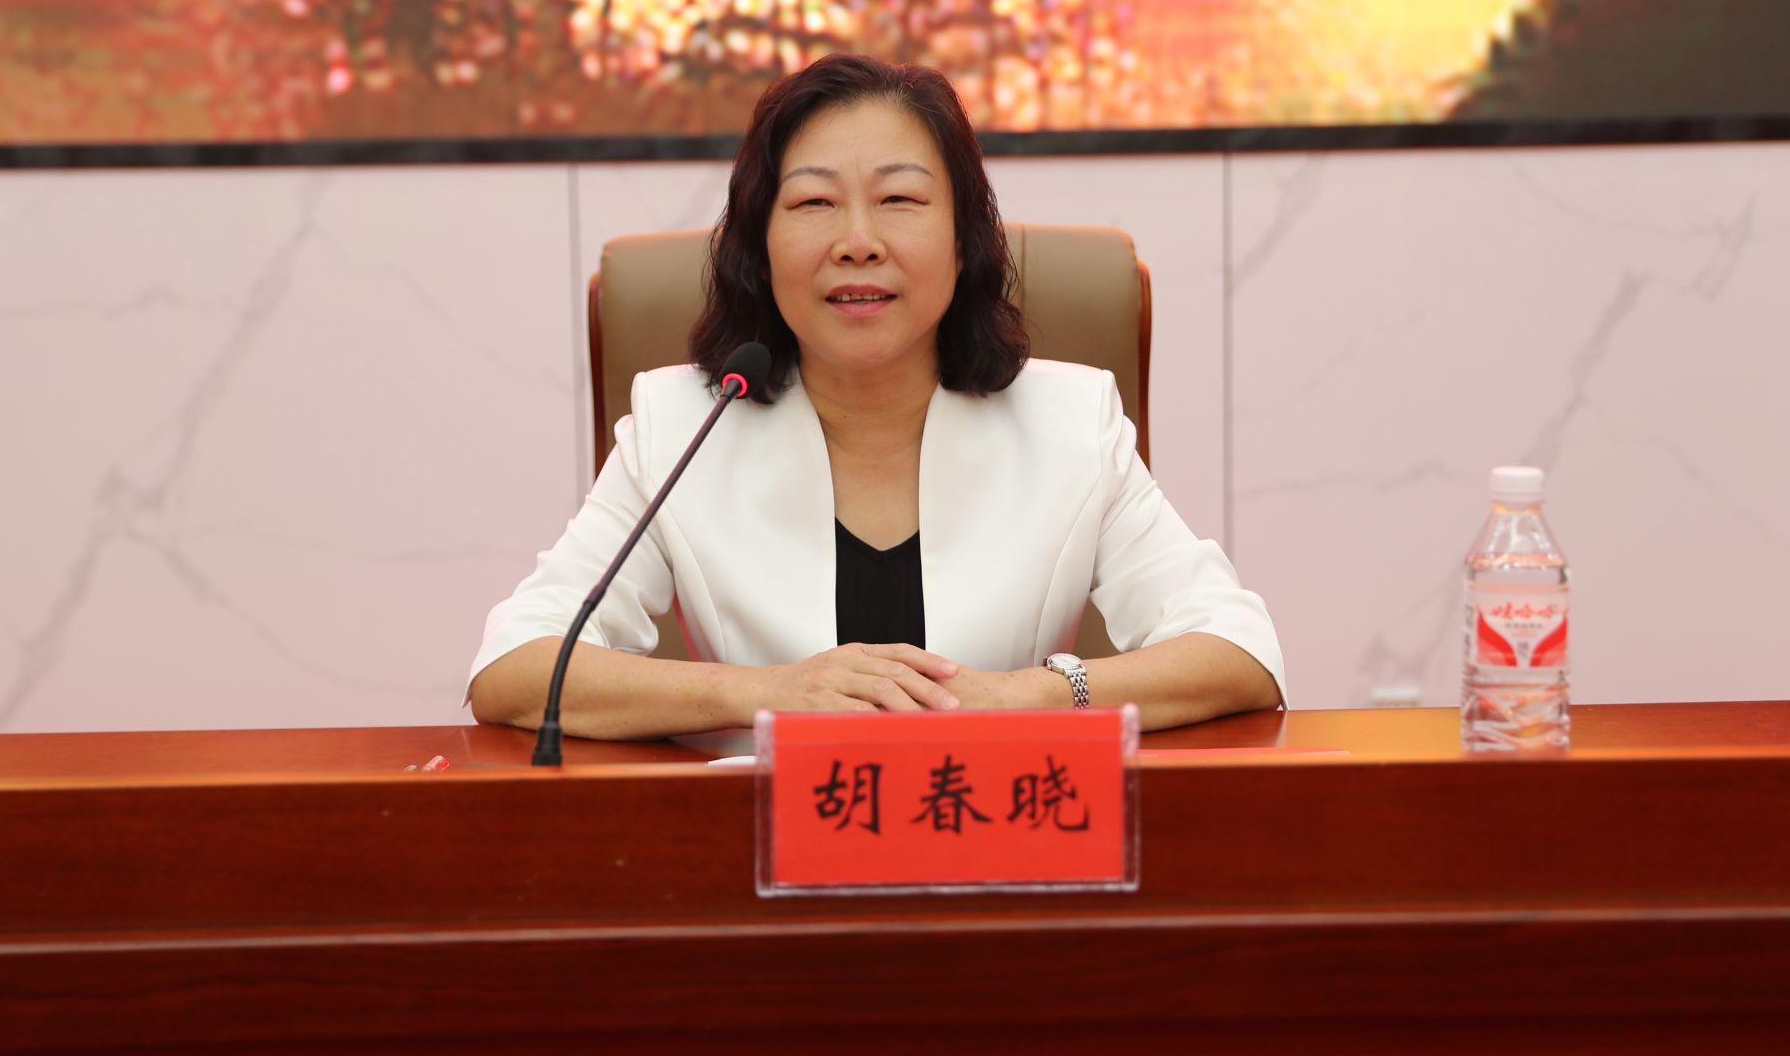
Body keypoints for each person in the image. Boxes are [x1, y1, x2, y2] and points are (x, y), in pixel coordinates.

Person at [467, 54, 1283, 737]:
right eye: (814, 203)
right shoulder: (681, 425)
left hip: (997, 850)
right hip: (763, 864)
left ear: (962, 242)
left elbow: (1239, 651)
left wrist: (1028, 695)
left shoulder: (1071, 422)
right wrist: (769, 694)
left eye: (900, 200)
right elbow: (515, 667)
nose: (858, 243)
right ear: (761, 247)